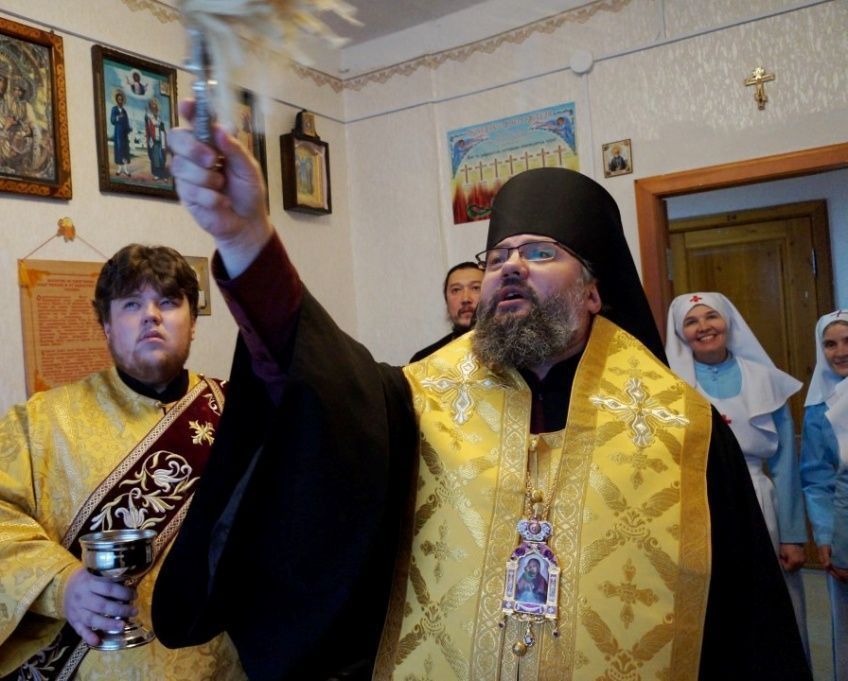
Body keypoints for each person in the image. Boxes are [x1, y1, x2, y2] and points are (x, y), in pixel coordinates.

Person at [154, 102, 811, 680]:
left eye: (541, 252)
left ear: (594, 292)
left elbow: (748, 626)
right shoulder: (422, 398)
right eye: (498, 257)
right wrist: (248, 239)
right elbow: (323, 389)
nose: (511, 267)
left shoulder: (683, 429)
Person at [0, 244, 244, 681]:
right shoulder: (42, 422)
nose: (151, 316)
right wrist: (62, 584)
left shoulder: (239, 413)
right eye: (131, 304)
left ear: (193, 322)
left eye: (168, 302)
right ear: (105, 324)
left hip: (220, 665)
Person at [666, 292, 810, 656]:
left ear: (728, 321)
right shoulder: (669, 383)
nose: (703, 327)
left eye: (711, 317)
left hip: (757, 494)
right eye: (691, 321)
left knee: (769, 597)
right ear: (680, 332)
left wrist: (793, 535)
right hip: (698, 499)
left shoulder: (765, 379)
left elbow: (785, 464)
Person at [801, 309, 848, 680]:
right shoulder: (818, 409)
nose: (840, 351)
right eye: (830, 344)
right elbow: (817, 478)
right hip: (843, 526)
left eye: (847, 341)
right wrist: (826, 535)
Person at [409, 261, 482, 362]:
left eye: (476, 288)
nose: (465, 299)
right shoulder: (424, 360)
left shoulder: (505, 351)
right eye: (456, 290)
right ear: (446, 300)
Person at [110, 89, 133, 177]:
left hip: (124, 134)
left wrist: (129, 129)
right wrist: (118, 117)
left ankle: (126, 169)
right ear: (116, 100)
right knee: (119, 150)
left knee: (125, 150)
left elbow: (126, 122)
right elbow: (112, 120)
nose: (120, 101)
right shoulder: (114, 109)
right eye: (119, 99)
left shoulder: (125, 111)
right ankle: (119, 169)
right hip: (118, 133)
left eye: (121, 99)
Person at [146, 97, 168, 181]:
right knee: (155, 159)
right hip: (154, 140)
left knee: (162, 158)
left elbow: (162, 128)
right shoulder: (149, 117)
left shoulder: (159, 117)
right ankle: (157, 174)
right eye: (152, 105)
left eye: (155, 104)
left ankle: (163, 175)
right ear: (151, 107)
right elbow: (148, 129)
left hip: (160, 140)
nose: (154, 106)